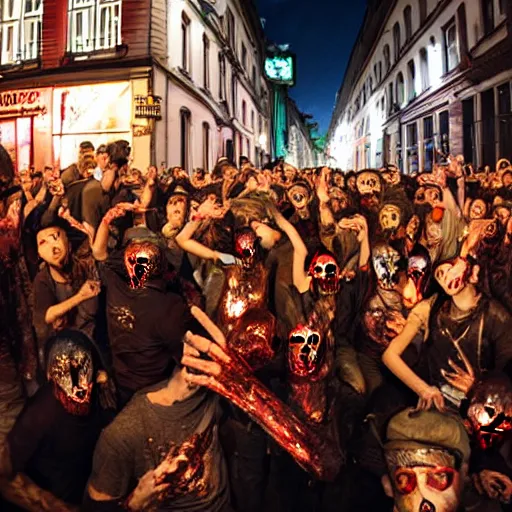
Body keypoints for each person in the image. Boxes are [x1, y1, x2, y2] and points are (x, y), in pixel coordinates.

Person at [0, 330, 106, 511]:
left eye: (82, 371)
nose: (77, 389)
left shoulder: (99, 398)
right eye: (66, 374)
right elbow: (5, 474)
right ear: (52, 377)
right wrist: (52, 504)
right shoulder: (39, 415)